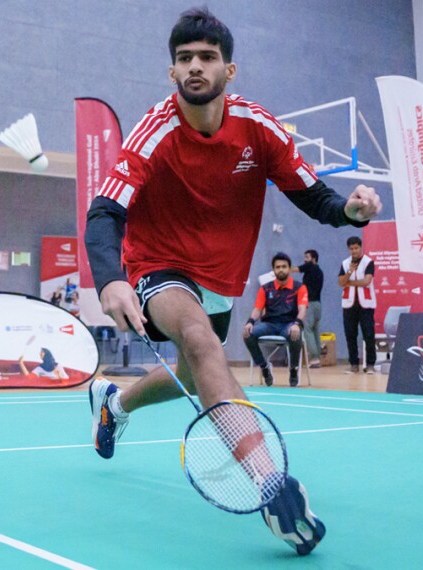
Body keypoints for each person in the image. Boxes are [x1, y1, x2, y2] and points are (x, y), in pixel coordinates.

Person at [84, 7, 381, 556]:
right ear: (172, 72)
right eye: (184, 59)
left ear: (229, 70)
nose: (195, 66)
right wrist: (109, 281)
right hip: (159, 263)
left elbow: (313, 195)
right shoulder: (154, 134)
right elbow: (104, 212)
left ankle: (114, 405)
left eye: (207, 57)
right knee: (199, 341)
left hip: (221, 275)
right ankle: (272, 488)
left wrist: (352, 213)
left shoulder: (258, 128)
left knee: (195, 375)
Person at [243, 253, 308, 387]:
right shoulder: (265, 288)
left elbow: (302, 309)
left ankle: (293, 369)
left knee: (295, 335)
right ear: (273, 270)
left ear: (289, 269)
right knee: (248, 334)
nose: (281, 269)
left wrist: (297, 324)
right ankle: (264, 367)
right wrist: (250, 322)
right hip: (269, 325)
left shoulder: (299, 287)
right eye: (278, 267)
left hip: (289, 324)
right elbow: (257, 309)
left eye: (284, 266)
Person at [338, 236, 377, 374]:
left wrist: (349, 283)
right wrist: (349, 272)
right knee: (350, 334)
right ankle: (354, 364)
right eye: (351, 248)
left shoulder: (368, 262)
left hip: (366, 304)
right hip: (349, 303)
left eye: (356, 248)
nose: (354, 251)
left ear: (361, 247)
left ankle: (370, 364)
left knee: (368, 334)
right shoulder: (345, 263)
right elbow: (340, 282)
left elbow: (366, 281)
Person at [291, 249, 324, 368]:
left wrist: (281, 269)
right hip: (318, 305)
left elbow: (295, 269)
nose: (305, 259)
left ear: (313, 259)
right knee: (315, 330)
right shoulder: (319, 271)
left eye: (307, 257)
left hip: (309, 304)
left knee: (308, 330)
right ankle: (318, 356)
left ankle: (314, 358)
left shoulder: (310, 267)